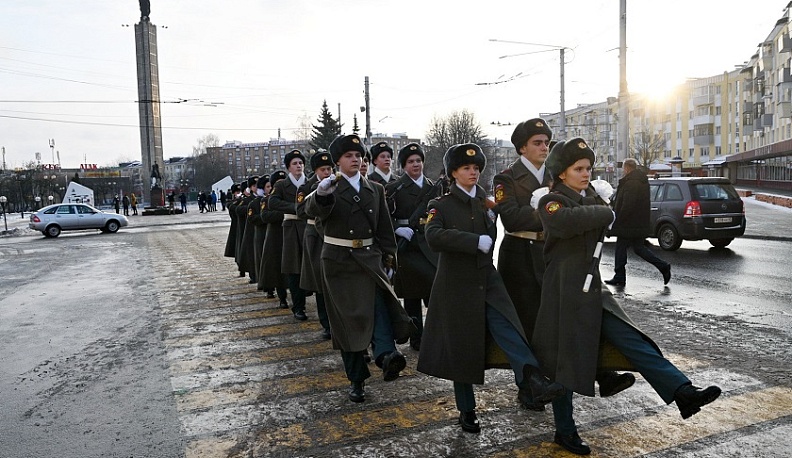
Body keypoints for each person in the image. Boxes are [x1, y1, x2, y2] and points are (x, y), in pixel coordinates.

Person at [533, 138, 722, 455]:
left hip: (593, 287)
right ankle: (565, 431)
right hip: (564, 289)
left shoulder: (589, 196)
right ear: (562, 173)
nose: (585, 173)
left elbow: (606, 217)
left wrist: (603, 211)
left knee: (634, 340)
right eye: (578, 169)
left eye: (588, 168)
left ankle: (683, 393)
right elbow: (565, 223)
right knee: (564, 361)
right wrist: (603, 212)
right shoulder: (551, 201)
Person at [417, 143, 565, 434]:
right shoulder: (440, 205)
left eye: (476, 168)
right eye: (465, 168)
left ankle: (532, 380)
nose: (472, 172)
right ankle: (466, 409)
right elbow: (433, 236)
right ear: (453, 173)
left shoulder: (485, 204)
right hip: (456, 284)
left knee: (509, 328)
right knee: (462, 349)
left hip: (488, 279)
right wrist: (471, 242)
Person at [493, 119, 634, 411]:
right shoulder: (506, 178)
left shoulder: (559, 170)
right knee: (530, 324)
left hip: (556, 254)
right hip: (521, 255)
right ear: (522, 147)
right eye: (537, 142)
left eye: (546, 142)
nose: (544, 147)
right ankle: (530, 386)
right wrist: (552, 213)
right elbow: (512, 218)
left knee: (574, 317)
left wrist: (567, 212)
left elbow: (585, 207)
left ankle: (596, 374)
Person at [304, 134, 415, 403]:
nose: (355, 160)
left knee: (379, 308)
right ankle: (356, 380)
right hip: (338, 263)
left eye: (358, 156)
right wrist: (321, 193)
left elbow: (385, 231)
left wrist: (389, 261)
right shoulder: (328, 188)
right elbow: (310, 211)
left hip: (368, 258)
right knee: (348, 324)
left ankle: (387, 356)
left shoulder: (374, 189)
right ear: (337, 162)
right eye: (348, 156)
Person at [385, 143, 440, 351]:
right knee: (412, 296)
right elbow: (384, 218)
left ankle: (434, 334)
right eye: (410, 161)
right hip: (407, 248)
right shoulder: (394, 189)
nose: (416, 164)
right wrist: (396, 229)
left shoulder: (433, 187)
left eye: (418, 160)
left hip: (428, 245)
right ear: (403, 166)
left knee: (434, 293)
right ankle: (417, 338)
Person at [605, 157, 671, 287]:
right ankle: (663, 266)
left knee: (621, 249)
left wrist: (618, 220)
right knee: (639, 248)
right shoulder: (641, 181)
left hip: (628, 223)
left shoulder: (631, 183)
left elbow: (627, 204)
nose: (623, 171)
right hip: (638, 223)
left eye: (624, 168)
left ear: (627, 168)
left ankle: (619, 276)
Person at [297, 151, 335, 339]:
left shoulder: (337, 184)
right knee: (320, 282)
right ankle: (326, 324)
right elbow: (300, 211)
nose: (327, 172)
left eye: (329, 168)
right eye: (323, 169)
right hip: (315, 237)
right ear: (315, 171)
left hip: (333, 234)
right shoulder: (306, 187)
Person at [269, 150, 309, 321]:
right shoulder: (281, 185)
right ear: (288, 168)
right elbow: (273, 202)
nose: (299, 166)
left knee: (310, 266)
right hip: (292, 228)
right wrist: (295, 207)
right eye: (295, 163)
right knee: (294, 269)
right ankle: (298, 307)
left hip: (309, 227)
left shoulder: (310, 182)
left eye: (300, 163)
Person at [260, 171, 289, 307]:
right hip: (275, 238)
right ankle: (282, 298)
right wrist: (284, 213)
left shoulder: (289, 198)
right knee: (277, 269)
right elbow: (265, 216)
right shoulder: (267, 200)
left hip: (290, 236)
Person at [236, 177, 259, 283]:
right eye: (254, 186)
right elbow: (238, 209)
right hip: (250, 228)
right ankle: (253, 275)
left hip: (260, 228)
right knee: (251, 252)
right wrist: (250, 208)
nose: (256, 188)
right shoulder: (246, 200)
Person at [224, 184, 242, 265]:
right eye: (237, 192)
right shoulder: (232, 202)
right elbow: (232, 207)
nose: (238, 193)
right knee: (236, 246)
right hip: (235, 225)